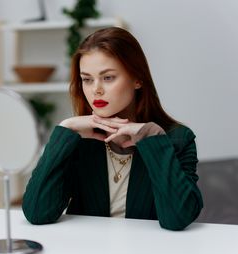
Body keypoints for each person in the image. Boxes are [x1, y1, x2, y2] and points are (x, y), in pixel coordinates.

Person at [22, 27, 203, 231]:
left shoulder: (177, 139)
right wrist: (65, 129)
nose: (96, 89)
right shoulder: (77, 140)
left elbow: (178, 219)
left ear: (137, 79)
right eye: (87, 79)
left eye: (108, 77)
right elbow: (37, 213)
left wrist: (153, 139)